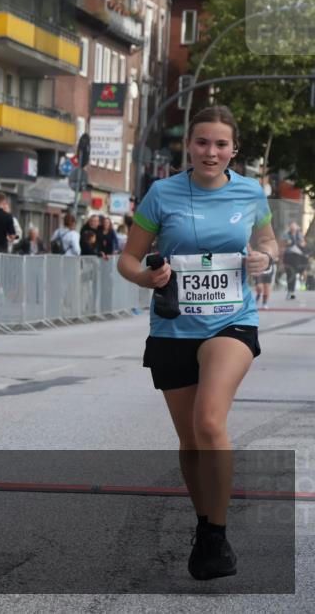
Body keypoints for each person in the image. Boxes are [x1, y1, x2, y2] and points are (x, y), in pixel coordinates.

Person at [117, 105, 277, 581]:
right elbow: (127, 259)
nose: (211, 152)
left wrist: (265, 259)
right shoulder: (162, 193)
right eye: (203, 142)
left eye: (221, 144)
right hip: (173, 327)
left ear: (234, 150)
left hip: (232, 322)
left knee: (209, 420)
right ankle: (205, 520)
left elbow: (269, 241)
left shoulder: (251, 192)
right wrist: (147, 277)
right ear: (189, 145)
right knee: (190, 438)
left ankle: (216, 534)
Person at [282, 222, 308, 300]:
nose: (293, 227)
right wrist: (290, 243)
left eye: (294, 226)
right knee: (290, 274)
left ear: (297, 227)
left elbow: (303, 244)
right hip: (289, 257)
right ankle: (290, 291)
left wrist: (298, 243)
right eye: (292, 226)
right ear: (289, 227)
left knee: (298, 272)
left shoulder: (299, 234)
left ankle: (295, 289)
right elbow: (285, 243)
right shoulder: (286, 234)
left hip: (298, 257)